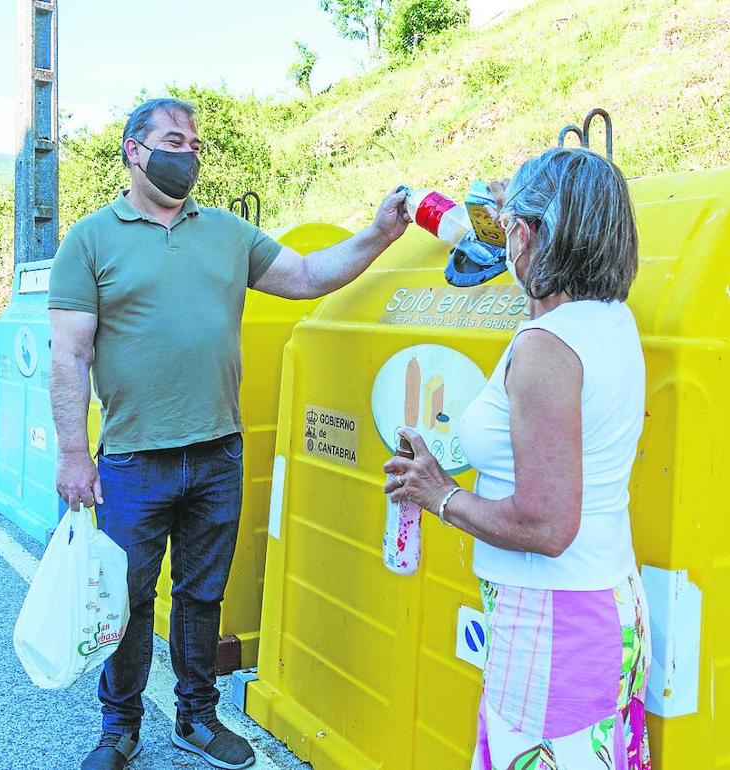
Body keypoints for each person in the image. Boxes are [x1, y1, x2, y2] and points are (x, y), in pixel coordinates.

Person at [49, 97, 409, 770]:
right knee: (125, 598)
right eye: (172, 141)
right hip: (131, 458)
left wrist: (378, 235)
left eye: (194, 144)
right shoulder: (90, 240)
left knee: (201, 595)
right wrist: (73, 453)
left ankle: (195, 717)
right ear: (134, 150)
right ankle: (118, 728)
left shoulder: (228, 233)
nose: (187, 153)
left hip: (217, 450)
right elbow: (68, 355)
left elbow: (305, 277)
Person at [384, 147, 651, 770]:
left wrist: (438, 493)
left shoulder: (547, 348)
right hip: (601, 605)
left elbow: (547, 525)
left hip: (552, 621)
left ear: (528, 234)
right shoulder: (608, 321)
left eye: (509, 227)